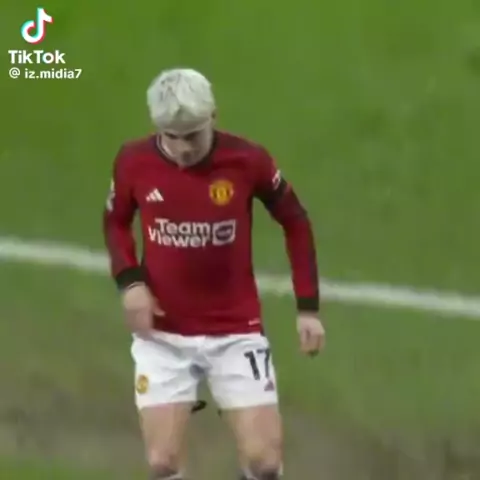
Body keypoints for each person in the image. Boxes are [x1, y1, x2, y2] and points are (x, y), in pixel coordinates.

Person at [102, 67, 325, 480]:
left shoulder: (247, 161)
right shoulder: (133, 162)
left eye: (193, 135)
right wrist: (130, 282)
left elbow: (295, 219)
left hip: (235, 330)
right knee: (162, 462)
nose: (183, 148)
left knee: (265, 463)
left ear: (213, 117)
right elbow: (115, 221)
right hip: (164, 335)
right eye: (172, 136)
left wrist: (307, 307)